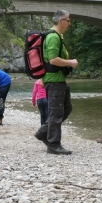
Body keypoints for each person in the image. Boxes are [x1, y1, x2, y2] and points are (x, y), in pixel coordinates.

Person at [34, 9, 79, 155]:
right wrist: (70, 62)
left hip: (59, 80)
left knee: (67, 108)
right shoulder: (53, 37)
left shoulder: (58, 36)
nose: (70, 23)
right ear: (61, 21)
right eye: (68, 20)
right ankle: (53, 144)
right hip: (53, 81)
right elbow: (53, 59)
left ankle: (43, 132)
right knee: (56, 112)